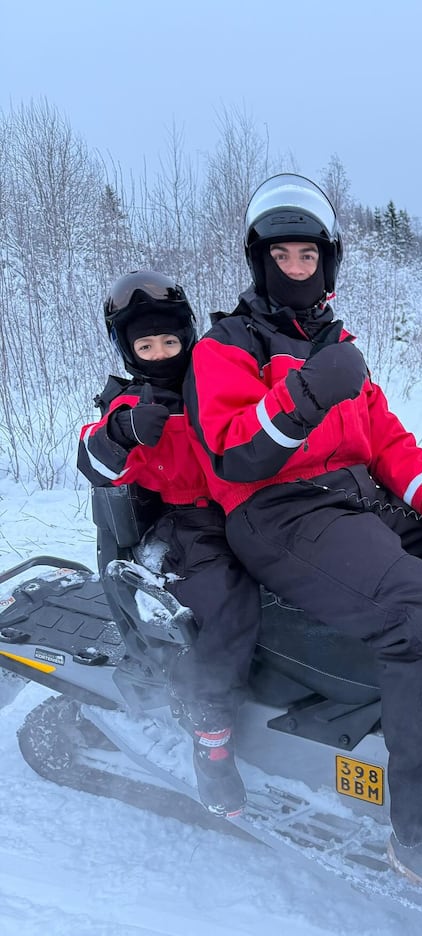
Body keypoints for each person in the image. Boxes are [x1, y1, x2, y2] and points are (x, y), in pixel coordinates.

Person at [184, 174, 422, 922]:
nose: (295, 267)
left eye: (307, 254)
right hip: (276, 512)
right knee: (421, 610)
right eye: (282, 254)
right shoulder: (226, 347)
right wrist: (305, 394)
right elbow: (233, 450)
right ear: (259, 260)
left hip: (350, 499)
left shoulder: (336, 344)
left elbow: (388, 443)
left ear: (327, 262)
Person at [77, 270, 261, 819]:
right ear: (128, 350)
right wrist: (123, 432)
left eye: (170, 342)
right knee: (229, 600)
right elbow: (92, 460)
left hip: (250, 506)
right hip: (187, 522)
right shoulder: (129, 404)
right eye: (145, 345)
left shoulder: (212, 381)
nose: (160, 354)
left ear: (188, 338)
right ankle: (210, 729)